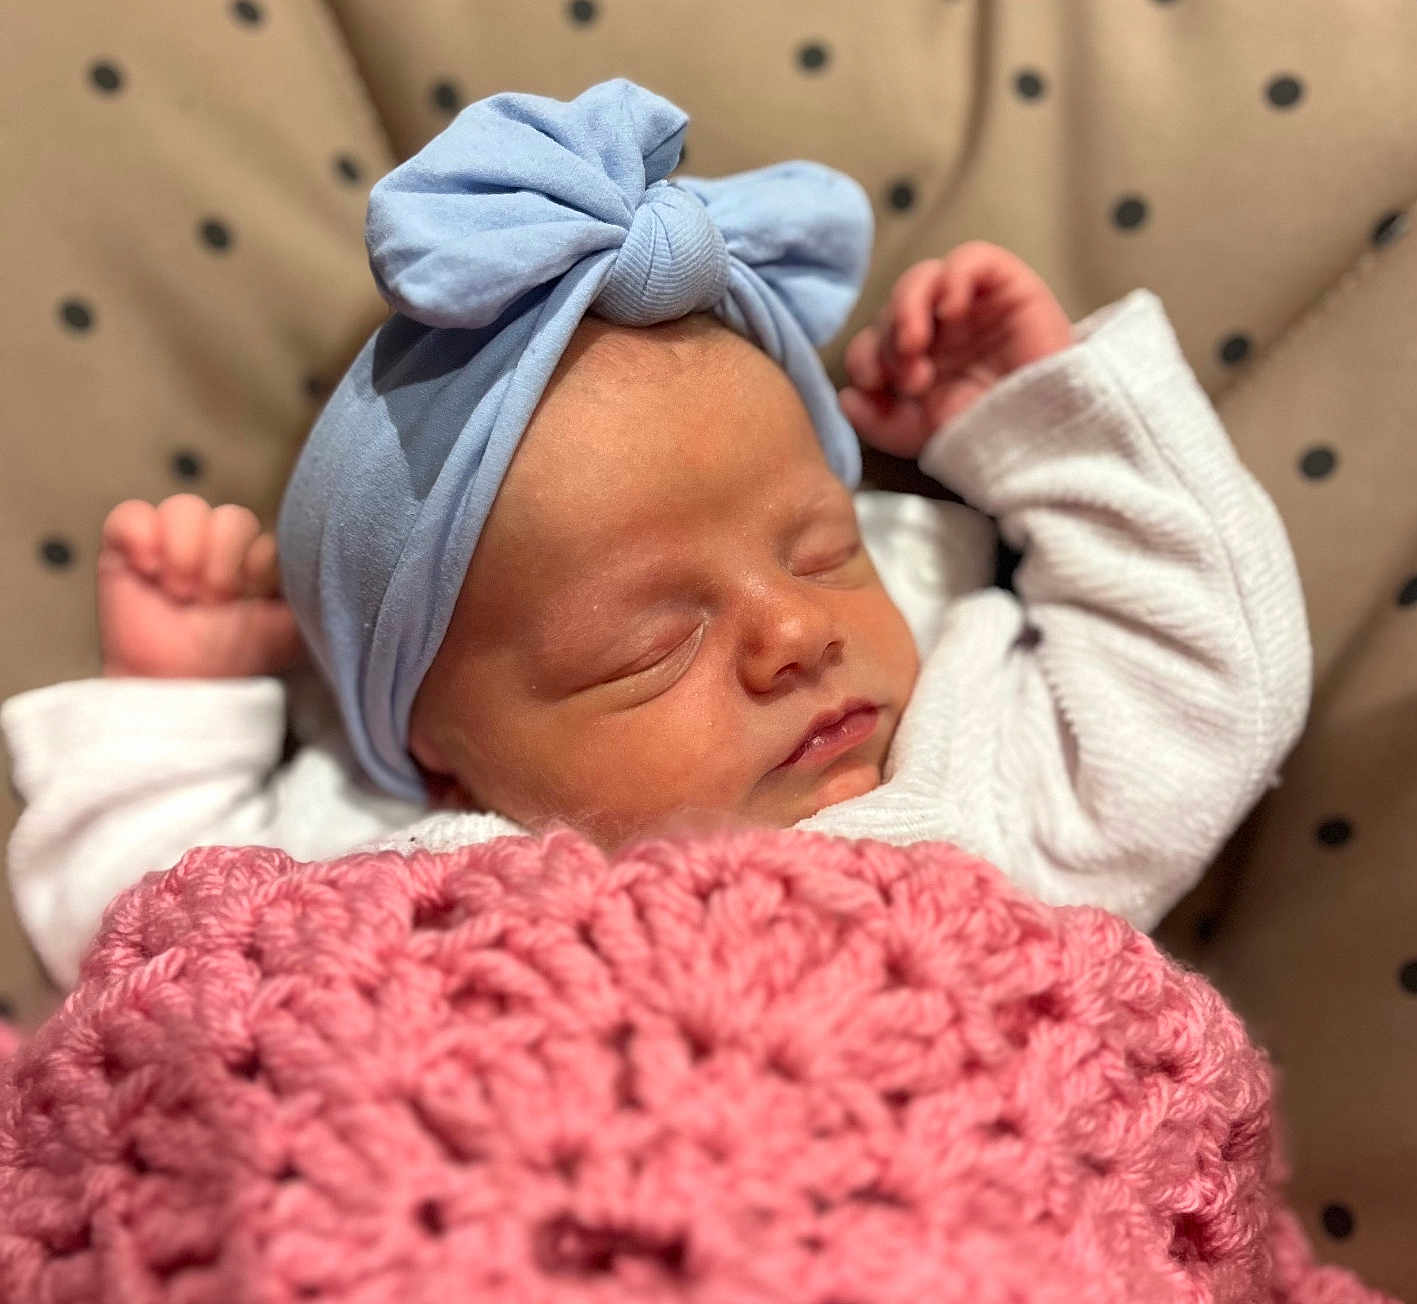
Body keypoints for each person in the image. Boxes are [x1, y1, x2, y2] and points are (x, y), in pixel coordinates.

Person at [1, 80, 1310, 988]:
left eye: (823, 551)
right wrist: (175, 711)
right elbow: (145, 940)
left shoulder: (969, 772)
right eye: (649, 646)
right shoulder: (372, 872)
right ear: (441, 758)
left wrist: (1046, 427)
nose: (796, 631)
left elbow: (1205, 688)